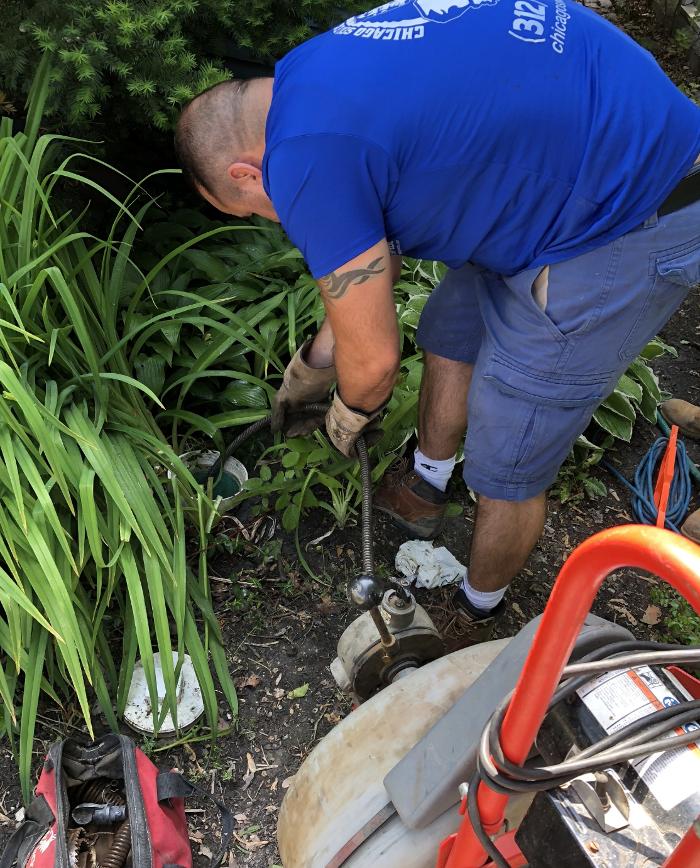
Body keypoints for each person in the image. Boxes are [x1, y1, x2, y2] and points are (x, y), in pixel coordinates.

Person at [175, 0, 700, 641]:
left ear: (245, 171)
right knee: (452, 331)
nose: (273, 217)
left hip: (626, 211)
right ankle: (427, 487)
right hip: (569, 150)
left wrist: (347, 411)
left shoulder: (303, 161)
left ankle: (479, 615)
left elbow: (372, 368)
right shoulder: (302, 77)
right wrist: (313, 367)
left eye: (254, 209)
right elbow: (370, 270)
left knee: (510, 456)